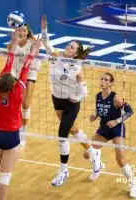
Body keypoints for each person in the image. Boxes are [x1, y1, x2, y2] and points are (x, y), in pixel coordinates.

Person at [40, 15, 101, 186]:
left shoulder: (77, 68)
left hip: (71, 103)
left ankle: (63, 170)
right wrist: (44, 29)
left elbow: (85, 92)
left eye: (72, 47)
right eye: (69, 44)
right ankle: (94, 154)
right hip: (56, 100)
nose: (68, 47)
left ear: (76, 52)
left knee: (62, 135)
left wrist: (76, 97)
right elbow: (46, 43)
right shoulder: (56, 56)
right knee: (73, 130)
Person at [0, 29, 42, 200]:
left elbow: (10, 61)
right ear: (14, 83)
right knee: (4, 176)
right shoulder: (18, 90)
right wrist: (33, 50)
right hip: (12, 136)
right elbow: (25, 66)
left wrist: (15, 42)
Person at [83, 72, 136, 198]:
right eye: (101, 79)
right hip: (104, 129)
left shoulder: (116, 98)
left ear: (111, 83)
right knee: (87, 154)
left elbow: (130, 111)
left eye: (106, 80)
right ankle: (99, 164)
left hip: (117, 130)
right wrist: (94, 116)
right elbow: (99, 109)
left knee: (120, 160)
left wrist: (116, 121)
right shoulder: (98, 96)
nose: (103, 81)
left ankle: (133, 184)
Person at [7, 23, 42, 146]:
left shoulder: (32, 43)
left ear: (28, 32)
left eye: (24, 31)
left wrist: (36, 45)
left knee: (26, 104)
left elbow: (36, 51)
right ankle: (14, 126)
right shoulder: (14, 41)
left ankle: (23, 129)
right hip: (15, 73)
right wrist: (14, 40)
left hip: (30, 73)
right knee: (14, 101)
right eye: (20, 30)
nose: (22, 32)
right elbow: (8, 48)